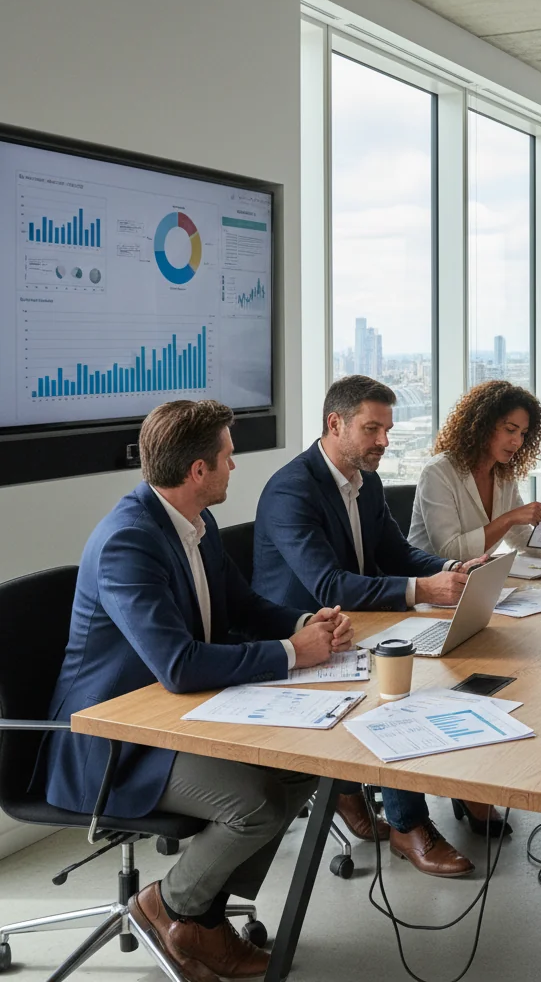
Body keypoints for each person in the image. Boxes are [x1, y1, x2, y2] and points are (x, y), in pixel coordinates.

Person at [40, 400, 354, 982]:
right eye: (229, 457)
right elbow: (178, 666)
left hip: (178, 718)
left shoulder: (193, 523)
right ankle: (173, 905)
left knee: (303, 765)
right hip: (112, 741)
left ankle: (201, 919)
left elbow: (243, 604)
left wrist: (304, 624)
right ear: (198, 472)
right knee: (254, 803)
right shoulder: (128, 542)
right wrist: (292, 655)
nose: (235, 467)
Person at [252, 376, 489, 877]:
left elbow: (395, 554)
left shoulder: (366, 479)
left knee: (454, 661)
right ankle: (408, 825)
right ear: (334, 424)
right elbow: (329, 585)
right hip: (305, 642)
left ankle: (383, 789)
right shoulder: (291, 491)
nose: (383, 441)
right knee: (401, 695)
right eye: (371, 429)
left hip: (358, 630)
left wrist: (446, 571)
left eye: (387, 430)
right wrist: (424, 591)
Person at [409, 380, 541, 561]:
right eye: (510, 430)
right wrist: (510, 518)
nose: (518, 442)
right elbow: (449, 552)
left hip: (474, 578)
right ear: (483, 425)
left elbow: (520, 537)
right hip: (431, 580)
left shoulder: (502, 474)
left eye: (523, 433)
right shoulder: (438, 472)